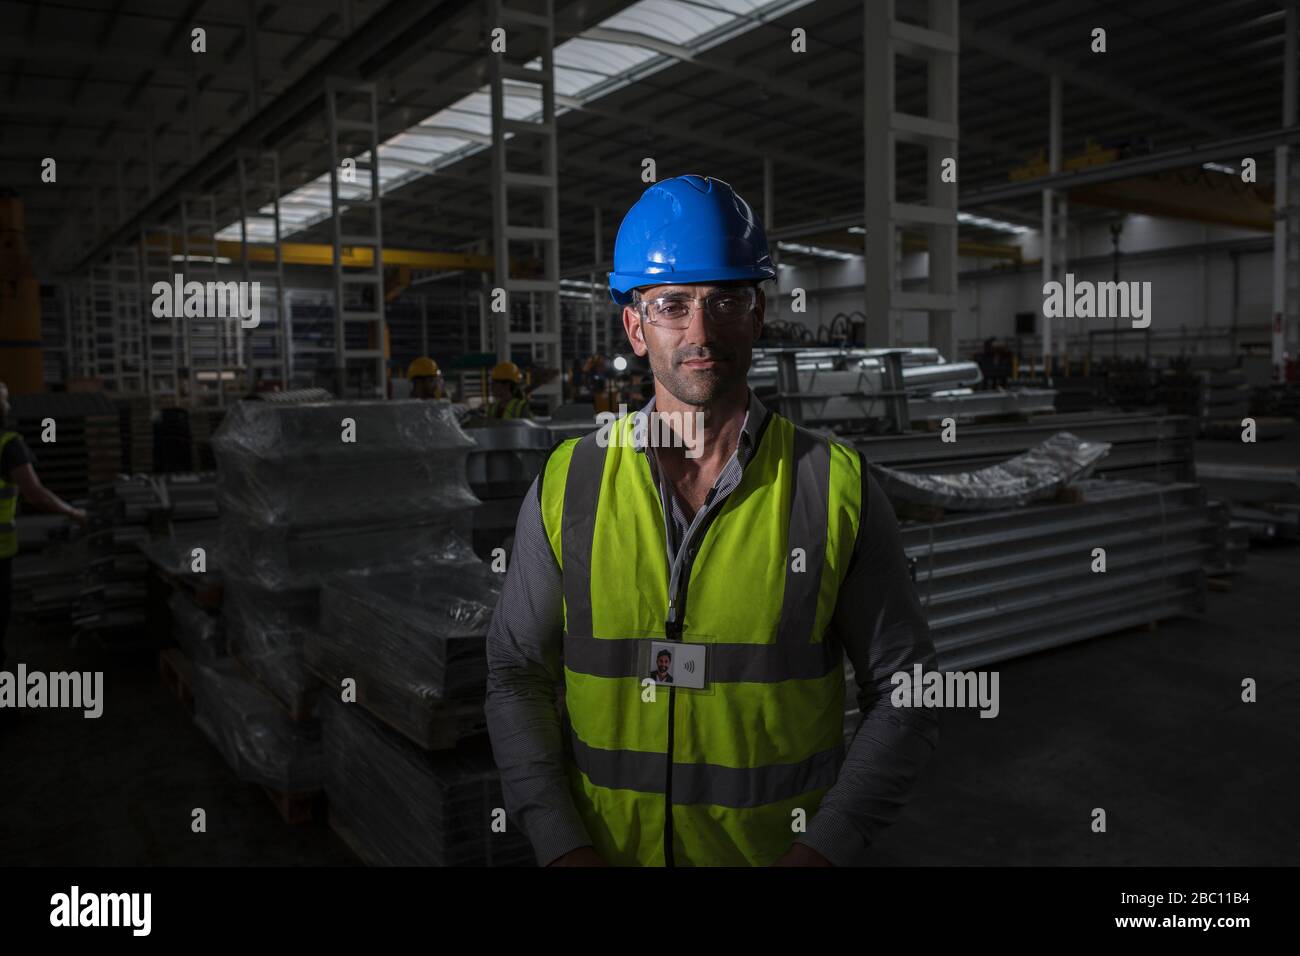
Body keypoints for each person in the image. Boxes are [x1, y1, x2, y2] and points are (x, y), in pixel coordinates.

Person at [484, 175, 939, 868]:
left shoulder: (835, 486)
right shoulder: (568, 485)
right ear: (635, 327)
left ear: (757, 315)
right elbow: (516, 673)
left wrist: (825, 850)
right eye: (673, 304)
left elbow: (907, 690)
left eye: (726, 299)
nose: (700, 331)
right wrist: (560, 844)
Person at [0, 381, 90, 671]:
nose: (9, 406)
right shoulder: (8, 443)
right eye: (4, 400)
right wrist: (74, 512)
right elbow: (35, 494)